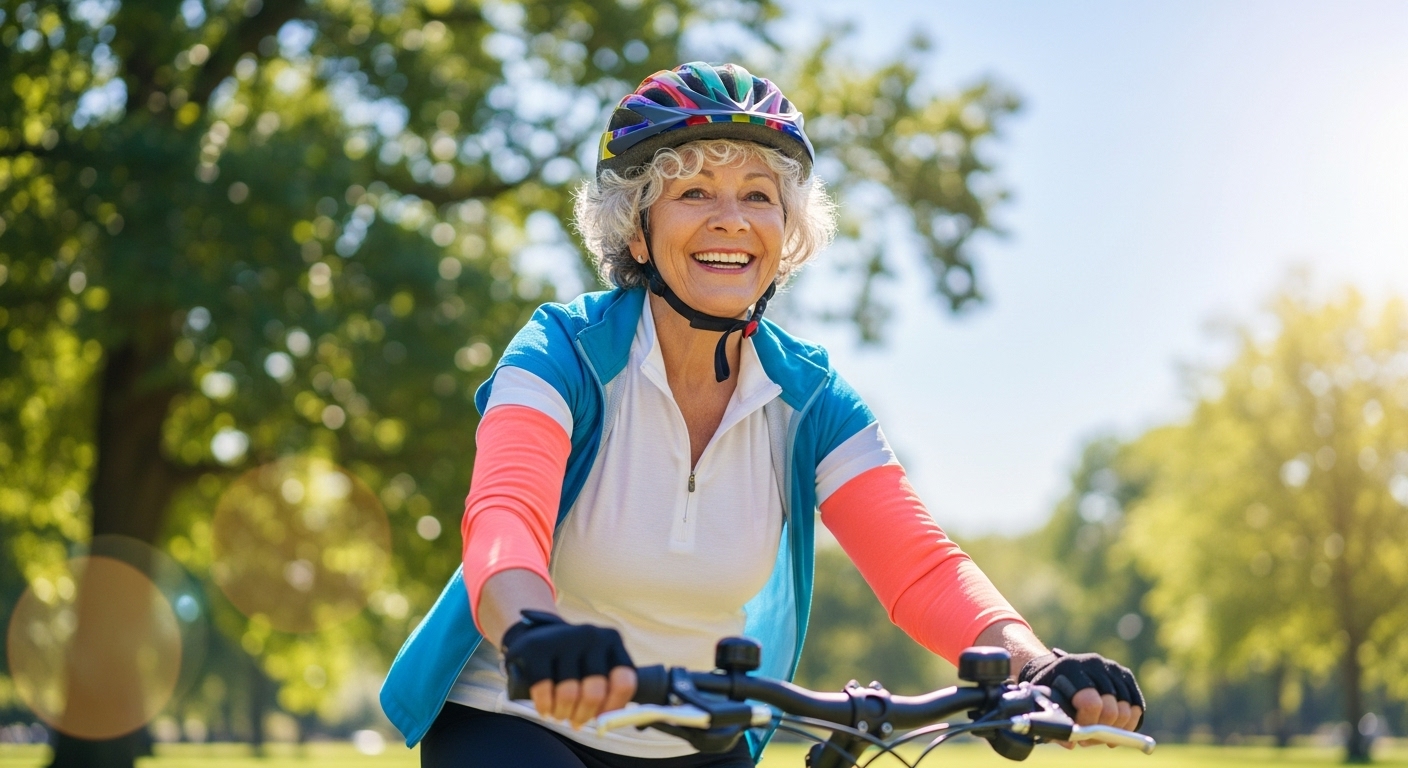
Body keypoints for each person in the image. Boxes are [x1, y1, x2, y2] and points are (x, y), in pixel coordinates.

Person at [380, 62, 1144, 768]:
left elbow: (919, 566)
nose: (731, 220)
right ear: (636, 232)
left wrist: (1029, 657)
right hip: (513, 723)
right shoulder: (563, 352)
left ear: (788, 235)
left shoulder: (808, 397)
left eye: (757, 195)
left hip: (699, 735)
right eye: (693, 193)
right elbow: (503, 516)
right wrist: (532, 629)